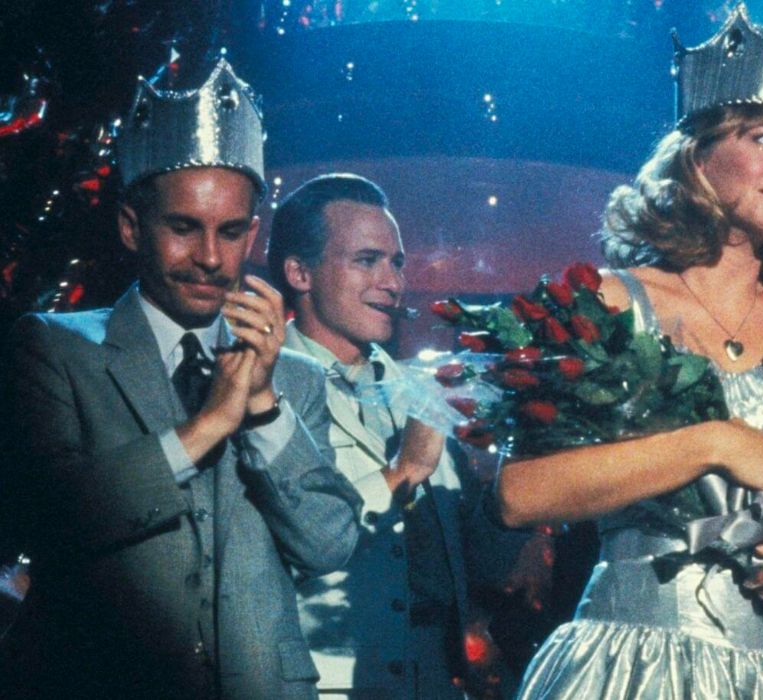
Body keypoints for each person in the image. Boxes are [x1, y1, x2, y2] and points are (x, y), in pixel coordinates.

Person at [502, 6, 763, 697]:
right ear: (697, 154)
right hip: (626, 660)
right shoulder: (612, 302)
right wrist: (711, 442)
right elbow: (521, 493)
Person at [0, 59, 361, 698]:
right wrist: (207, 427)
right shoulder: (56, 347)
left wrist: (265, 413)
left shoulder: (292, 377)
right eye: (183, 228)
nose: (210, 259)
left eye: (230, 232)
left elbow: (329, 545)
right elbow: (46, 518)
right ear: (131, 227)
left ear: (253, 232)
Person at [267, 173, 544, 698]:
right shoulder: (260, 388)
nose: (393, 282)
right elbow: (299, 544)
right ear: (300, 273)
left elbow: (482, 567)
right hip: (328, 685)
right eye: (367, 261)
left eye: (396, 263)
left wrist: (515, 473)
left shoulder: (423, 390)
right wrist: (407, 468)